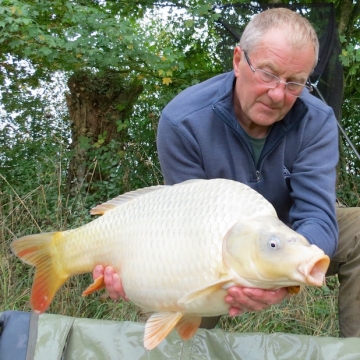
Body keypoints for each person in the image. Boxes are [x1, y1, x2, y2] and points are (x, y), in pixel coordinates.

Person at [93, 7, 360, 337]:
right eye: (267, 74)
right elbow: (183, 230)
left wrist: (283, 275)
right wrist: (135, 278)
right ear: (238, 61)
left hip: (289, 236)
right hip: (207, 244)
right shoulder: (183, 120)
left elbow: (319, 217)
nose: (278, 94)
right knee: (182, 315)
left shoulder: (317, 120)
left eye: (295, 83)